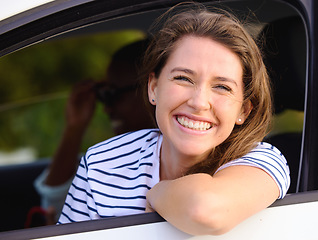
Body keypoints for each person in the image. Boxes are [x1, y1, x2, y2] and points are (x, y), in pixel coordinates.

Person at [58, 5, 290, 236]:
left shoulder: (263, 161)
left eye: (222, 87)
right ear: (154, 88)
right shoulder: (101, 163)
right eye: (183, 78)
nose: (199, 103)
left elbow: (204, 209)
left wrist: (157, 194)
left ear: (244, 110)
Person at [32, 38, 153, 225]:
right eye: (102, 95)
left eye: (111, 94)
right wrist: (75, 127)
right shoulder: (105, 159)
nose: (106, 108)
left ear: (151, 89)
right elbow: (55, 204)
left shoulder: (176, 158)